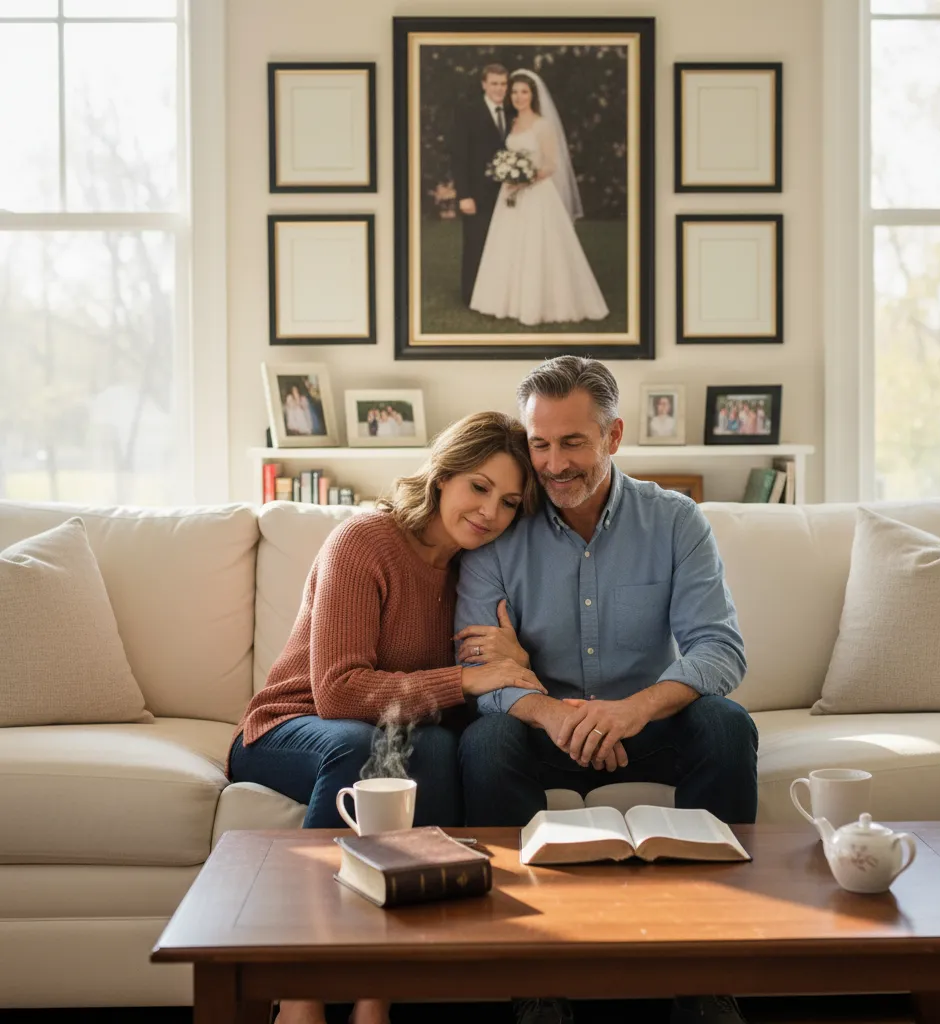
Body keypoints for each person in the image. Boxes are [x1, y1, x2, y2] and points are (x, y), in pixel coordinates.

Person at [455, 356, 757, 1024]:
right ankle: (533, 982)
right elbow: (481, 676)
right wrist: (554, 714)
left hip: (644, 728)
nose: (554, 463)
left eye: (573, 442)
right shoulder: (497, 530)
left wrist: (634, 710)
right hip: (543, 733)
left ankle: (709, 974)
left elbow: (720, 648)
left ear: (613, 437)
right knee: (485, 739)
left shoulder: (676, 521)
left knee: (727, 726)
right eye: (540, 443)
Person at [228, 411, 542, 1024]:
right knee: (362, 748)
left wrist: (513, 662)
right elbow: (339, 693)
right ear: (444, 473)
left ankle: (377, 995)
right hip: (291, 725)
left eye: (508, 502)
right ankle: (299, 991)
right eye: (479, 487)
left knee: (427, 754)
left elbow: (484, 687)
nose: (490, 513)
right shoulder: (364, 541)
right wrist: (465, 679)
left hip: (385, 731)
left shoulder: (478, 570)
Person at [469, 70, 609, 326]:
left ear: (533, 95)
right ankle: (504, 301)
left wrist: (524, 179)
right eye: (514, 92)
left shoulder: (542, 125)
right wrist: (509, 176)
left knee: (537, 246)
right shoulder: (511, 124)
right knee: (508, 246)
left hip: (536, 193)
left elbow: (552, 164)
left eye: (524, 92)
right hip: (510, 194)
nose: (518, 97)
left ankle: (540, 304)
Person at [451, 63, 513, 306]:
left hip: (507, 191)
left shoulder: (512, 113)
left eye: (503, 84)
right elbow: (459, 155)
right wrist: (464, 195)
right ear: (484, 85)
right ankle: (471, 296)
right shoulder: (468, 112)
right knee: (476, 242)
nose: (499, 89)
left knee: (503, 243)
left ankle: (498, 293)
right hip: (476, 193)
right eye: (494, 83)